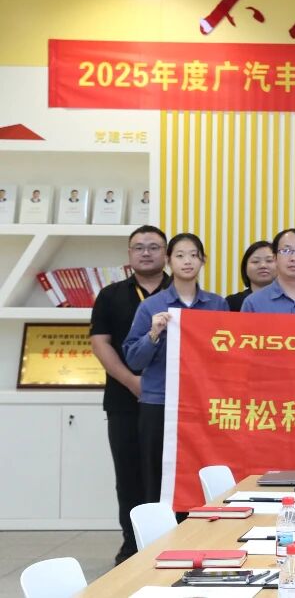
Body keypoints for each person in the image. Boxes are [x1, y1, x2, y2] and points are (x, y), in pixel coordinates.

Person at [123, 233, 228, 505]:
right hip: (160, 403)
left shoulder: (217, 305)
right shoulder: (151, 306)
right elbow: (133, 360)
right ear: (169, 261)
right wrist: (153, 334)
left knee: (201, 476)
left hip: (203, 404)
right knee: (158, 477)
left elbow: (226, 358)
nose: (187, 261)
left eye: (194, 255)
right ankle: (160, 530)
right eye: (180, 255)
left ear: (203, 261)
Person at [89, 225, 172, 564]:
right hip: (124, 401)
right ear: (129, 254)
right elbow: (100, 343)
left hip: (170, 403)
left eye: (154, 246)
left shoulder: (180, 294)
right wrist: (132, 382)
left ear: (166, 254)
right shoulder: (111, 295)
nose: (146, 252)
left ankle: (170, 540)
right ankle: (132, 545)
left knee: (166, 475)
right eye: (138, 247)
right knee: (129, 475)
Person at [225, 240, 275, 312]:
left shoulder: (288, 300)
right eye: (255, 261)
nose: (263, 265)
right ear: (245, 267)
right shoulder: (232, 302)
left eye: (269, 261)